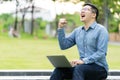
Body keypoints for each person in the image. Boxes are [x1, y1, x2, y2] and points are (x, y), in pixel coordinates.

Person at [50, 3, 109, 80]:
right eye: (82, 10)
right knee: (59, 70)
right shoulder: (77, 31)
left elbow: (101, 52)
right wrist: (60, 28)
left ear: (93, 15)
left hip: (99, 68)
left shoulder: (101, 30)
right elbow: (64, 45)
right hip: (82, 67)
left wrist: (83, 61)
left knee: (79, 68)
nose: (82, 11)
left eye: (86, 9)